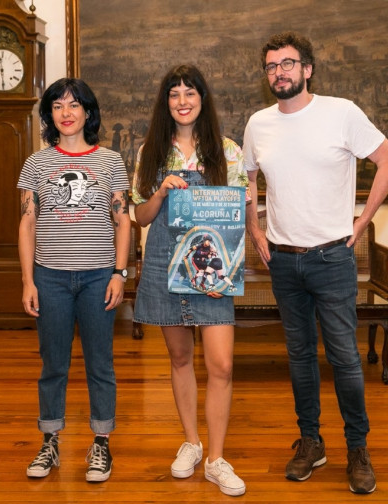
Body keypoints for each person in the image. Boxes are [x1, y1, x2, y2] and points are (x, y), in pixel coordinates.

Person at [242, 32, 388, 494]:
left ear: (307, 69)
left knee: (345, 359)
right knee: (298, 358)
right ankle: (311, 442)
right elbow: (247, 179)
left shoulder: (341, 113)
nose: (280, 72)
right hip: (283, 261)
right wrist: (255, 229)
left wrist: (362, 222)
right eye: (272, 66)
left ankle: (358, 448)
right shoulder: (258, 123)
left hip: (332, 257)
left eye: (288, 64)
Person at [132, 64, 249, 497]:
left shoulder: (228, 151)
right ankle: (192, 443)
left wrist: (230, 270)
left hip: (213, 268)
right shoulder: (151, 151)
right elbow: (140, 216)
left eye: (190, 93)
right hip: (164, 261)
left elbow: (236, 219)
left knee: (221, 364)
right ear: (167, 103)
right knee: (180, 360)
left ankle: (217, 459)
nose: (182, 101)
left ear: (203, 100)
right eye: (174, 94)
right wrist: (162, 190)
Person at [17, 77, 131, 482]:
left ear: (87, 112)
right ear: (49, 114)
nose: (66, 113)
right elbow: (28, 223)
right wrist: (28, 281)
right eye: (58, 106)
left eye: (74, 105)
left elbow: (123, 220)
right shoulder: (37, 163)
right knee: (54, 364)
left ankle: (101, 444)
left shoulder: (111, 162)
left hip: (100, 277)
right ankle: (50, 442)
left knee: (101, 363)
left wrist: (120, 273)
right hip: (50, 280)